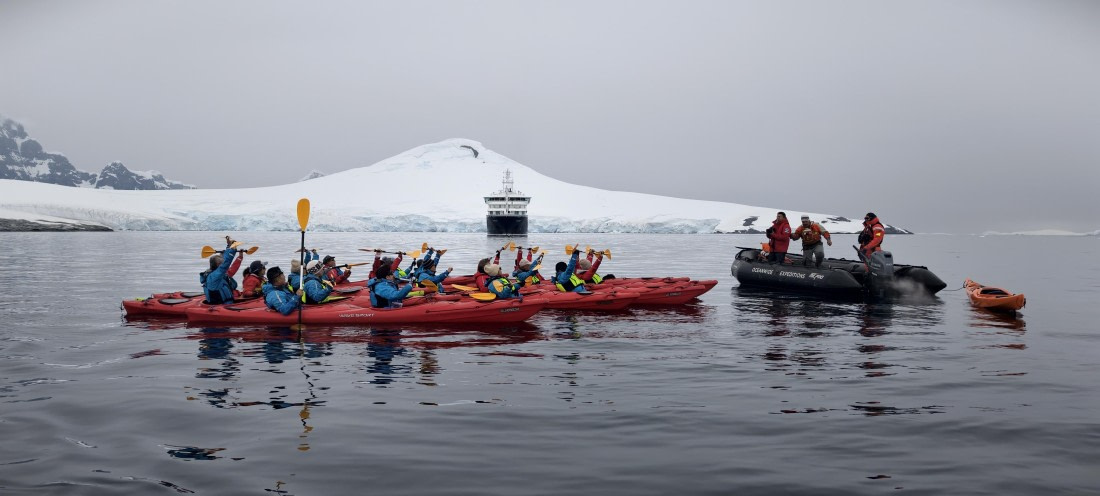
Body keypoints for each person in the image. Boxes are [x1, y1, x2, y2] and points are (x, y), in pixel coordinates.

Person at [200, 238, 243, 304]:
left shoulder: (219, 272)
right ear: (218, 264)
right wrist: (232, 250)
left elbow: (225, 260)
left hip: (227, 303)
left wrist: (229, 246)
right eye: (221, 263)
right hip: (220, 305)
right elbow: (225, 263)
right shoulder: (214, 276)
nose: (223, 263)